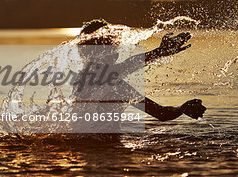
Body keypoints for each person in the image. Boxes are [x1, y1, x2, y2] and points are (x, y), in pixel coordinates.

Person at [76, 18, 206, 124]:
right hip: (105, 151)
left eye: (114, 45)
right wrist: (159, 52)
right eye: (110, 45)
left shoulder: (110, 84)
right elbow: (128, 65)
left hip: (92, 150)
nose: (116, 49)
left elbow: (162, 114)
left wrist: (182, 108)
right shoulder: (98, 79)